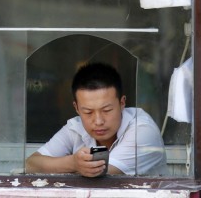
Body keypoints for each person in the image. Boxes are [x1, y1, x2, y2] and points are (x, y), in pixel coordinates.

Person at [25, 62, 167, 177]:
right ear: (76, 108)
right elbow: (31, 164)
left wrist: (61, 165)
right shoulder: (76, 127)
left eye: (107, 110)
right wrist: (73, 163)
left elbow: (99, 174)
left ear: (122, 103)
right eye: (88, 112)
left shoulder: (142, 130)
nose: (98, 121)